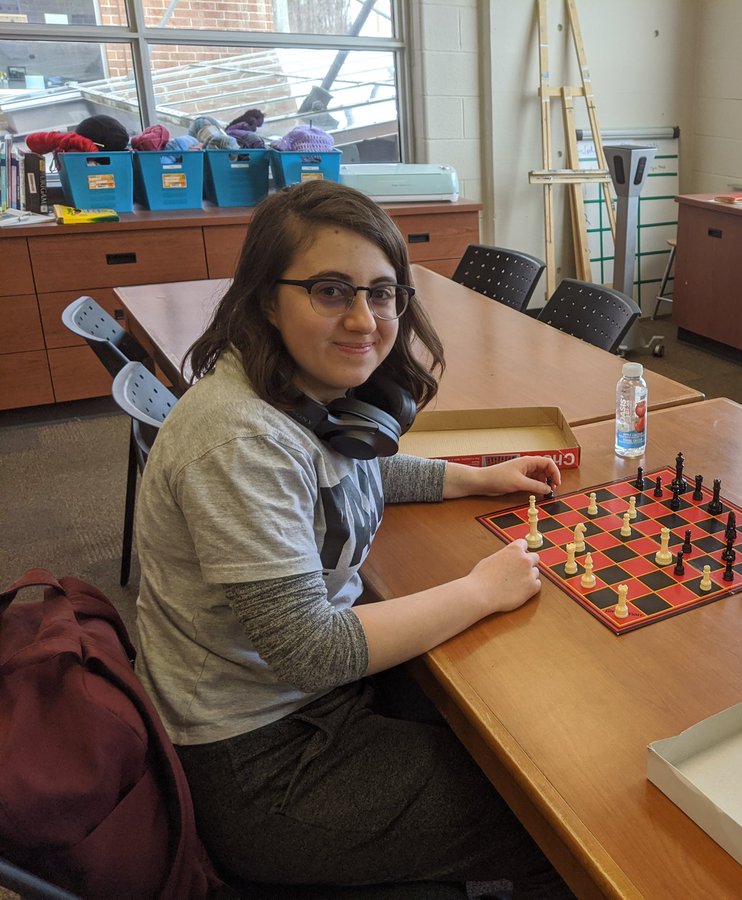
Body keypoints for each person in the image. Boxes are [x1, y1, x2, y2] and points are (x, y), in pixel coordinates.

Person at [134, 180, 570, 896]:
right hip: (267, 767)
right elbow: (311, 650)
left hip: (316, 708)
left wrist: (474, 479)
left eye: (383, 292)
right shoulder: (241, 440)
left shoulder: (296, 393)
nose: (365, 319)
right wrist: (477, 590)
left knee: (528, 719)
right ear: (266, 299)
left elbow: (350, 465)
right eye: (331, 291)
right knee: (552, 802)